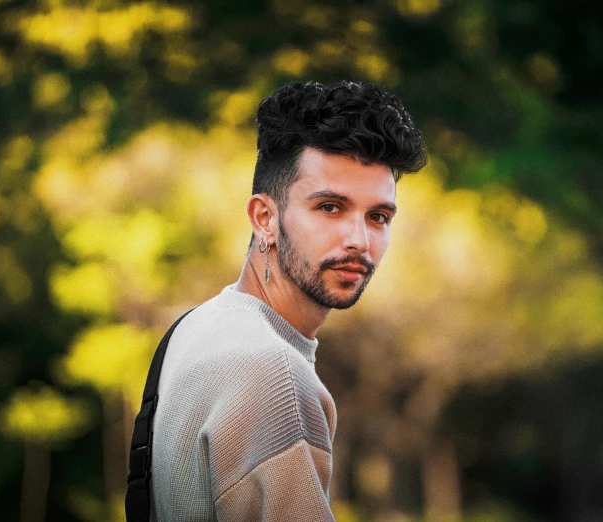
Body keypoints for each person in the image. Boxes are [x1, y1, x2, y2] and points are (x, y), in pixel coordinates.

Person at [149, 81, 426, 521]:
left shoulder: (197, 327)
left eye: (378, 216)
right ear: (265, 218)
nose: (360, 241)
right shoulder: (273, 374)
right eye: (331, 207)